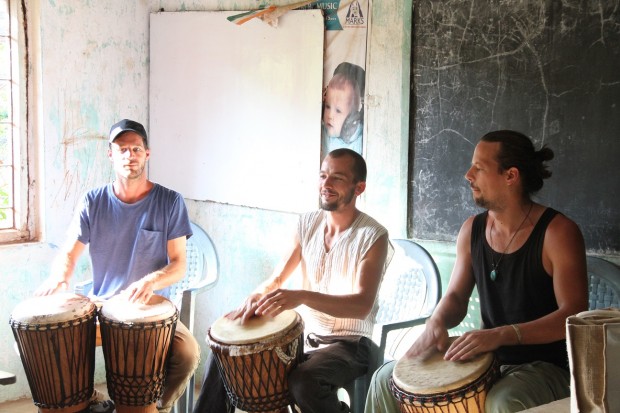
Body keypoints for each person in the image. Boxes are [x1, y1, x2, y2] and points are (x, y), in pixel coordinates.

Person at [365, 130, 588, 413]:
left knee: (503, 401)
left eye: (479, 168)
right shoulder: (472, 230)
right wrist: (437, 321)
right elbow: (456, 297)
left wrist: (503, 334)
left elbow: (573, 315)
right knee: (385, 379)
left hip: (548, 367)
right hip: (489, 358)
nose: (468, 175)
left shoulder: (558, 232)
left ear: (511, 176)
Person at [193, 148, 392, 413]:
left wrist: (302, 296)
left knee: (304, 381)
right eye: (323, 176)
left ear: (359, 187)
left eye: (337, 178)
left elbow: (361, 305)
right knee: (227, 354)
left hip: (351, 344)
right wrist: (258, 295)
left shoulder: (374, 236)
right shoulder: (307, 223)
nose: (326, 184)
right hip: (303, 337)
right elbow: (277, 277)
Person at [36, 119, 201, 413]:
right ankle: (87, 400)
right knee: (48, 339)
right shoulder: (93, 201)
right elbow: (69, 253)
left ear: (147, 154)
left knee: (187, 354)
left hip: (151, 308)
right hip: (101, 304)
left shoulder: (170, 202)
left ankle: (155, 405)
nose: (129, 155)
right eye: (122, 149)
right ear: (110, 155)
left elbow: (178, 265)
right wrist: (59, 277)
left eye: (136, 148)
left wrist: (150, 281)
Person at [321, 63, 365, 160]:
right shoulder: (321, 131)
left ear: (352, 120)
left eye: (338, 111)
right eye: (327, 107)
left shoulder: (360, 141)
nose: (330, 115)